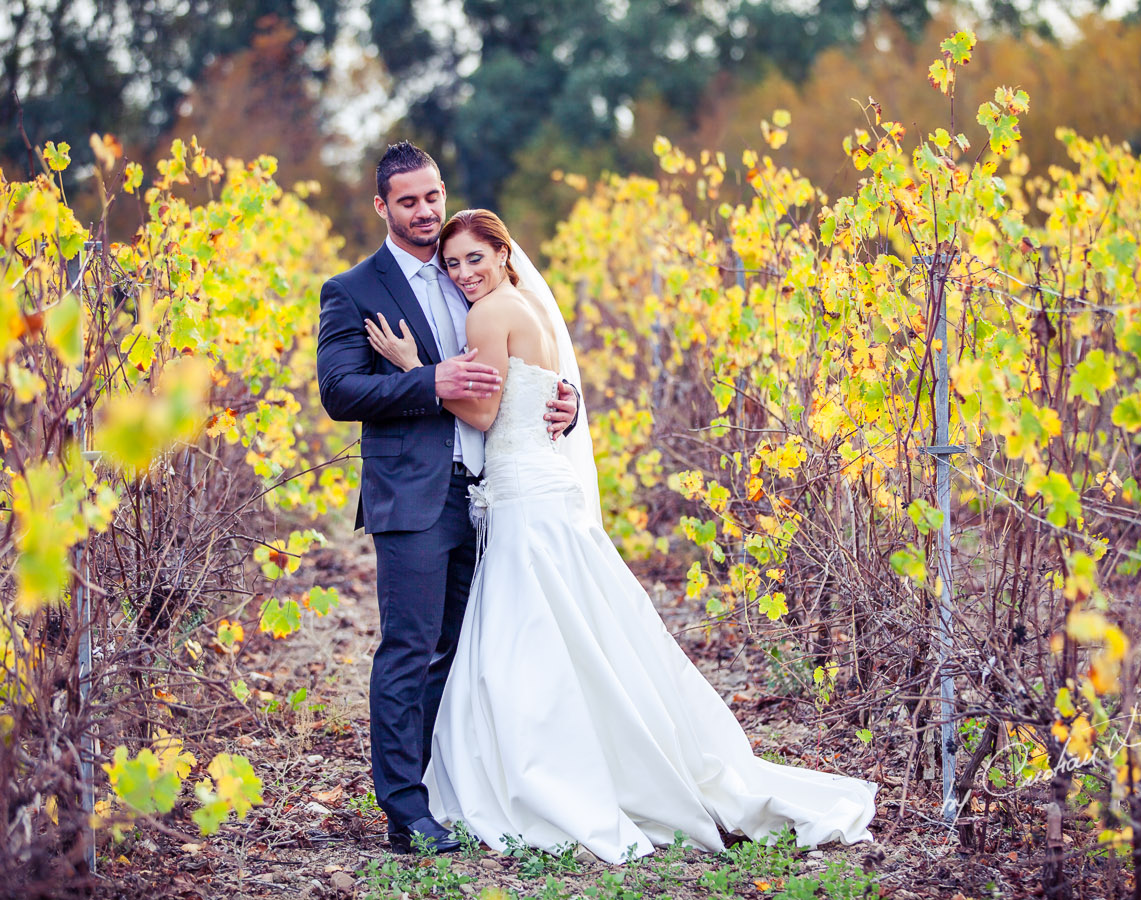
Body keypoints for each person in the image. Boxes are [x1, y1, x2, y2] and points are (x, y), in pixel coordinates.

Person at [367, 208, 877, 863]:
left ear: (500, 252)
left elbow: (486, 410)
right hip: (543, 488)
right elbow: (541, 390)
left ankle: (554, 775)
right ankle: (618, 762)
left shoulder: (489, 314)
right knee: (580, 635)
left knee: (532, 645)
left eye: (475, 258)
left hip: (525, 494)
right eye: (455, 264)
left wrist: (415, 367)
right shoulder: (531, 307)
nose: (465, 273)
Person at [316, 143, 580, 855]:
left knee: (464, 655)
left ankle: (450, 788)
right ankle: (406, 813)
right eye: (408, 201)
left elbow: (526, 362)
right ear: (382, 207)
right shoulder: (354, 290)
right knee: (409, 649)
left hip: (493, 493)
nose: (425, 211)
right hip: (412, 497)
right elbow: (340, 391)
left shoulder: (474, 271)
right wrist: (426, 381)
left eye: (432, 195)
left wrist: (566, 402)